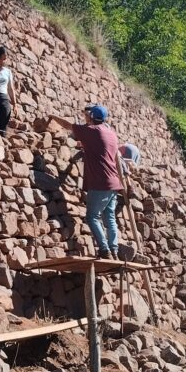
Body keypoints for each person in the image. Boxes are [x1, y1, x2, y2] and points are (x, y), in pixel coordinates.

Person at [49, 105, 123, 260]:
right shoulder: (111, 133)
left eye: (88, 115)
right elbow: (101, 149)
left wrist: (52, 116)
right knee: (109, 217)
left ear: (92, 117)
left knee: (92, 217)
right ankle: (114, 250)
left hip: (100, 182)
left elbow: (68, 125)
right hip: (114, 182)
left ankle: (104, 250)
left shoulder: (92, 131)